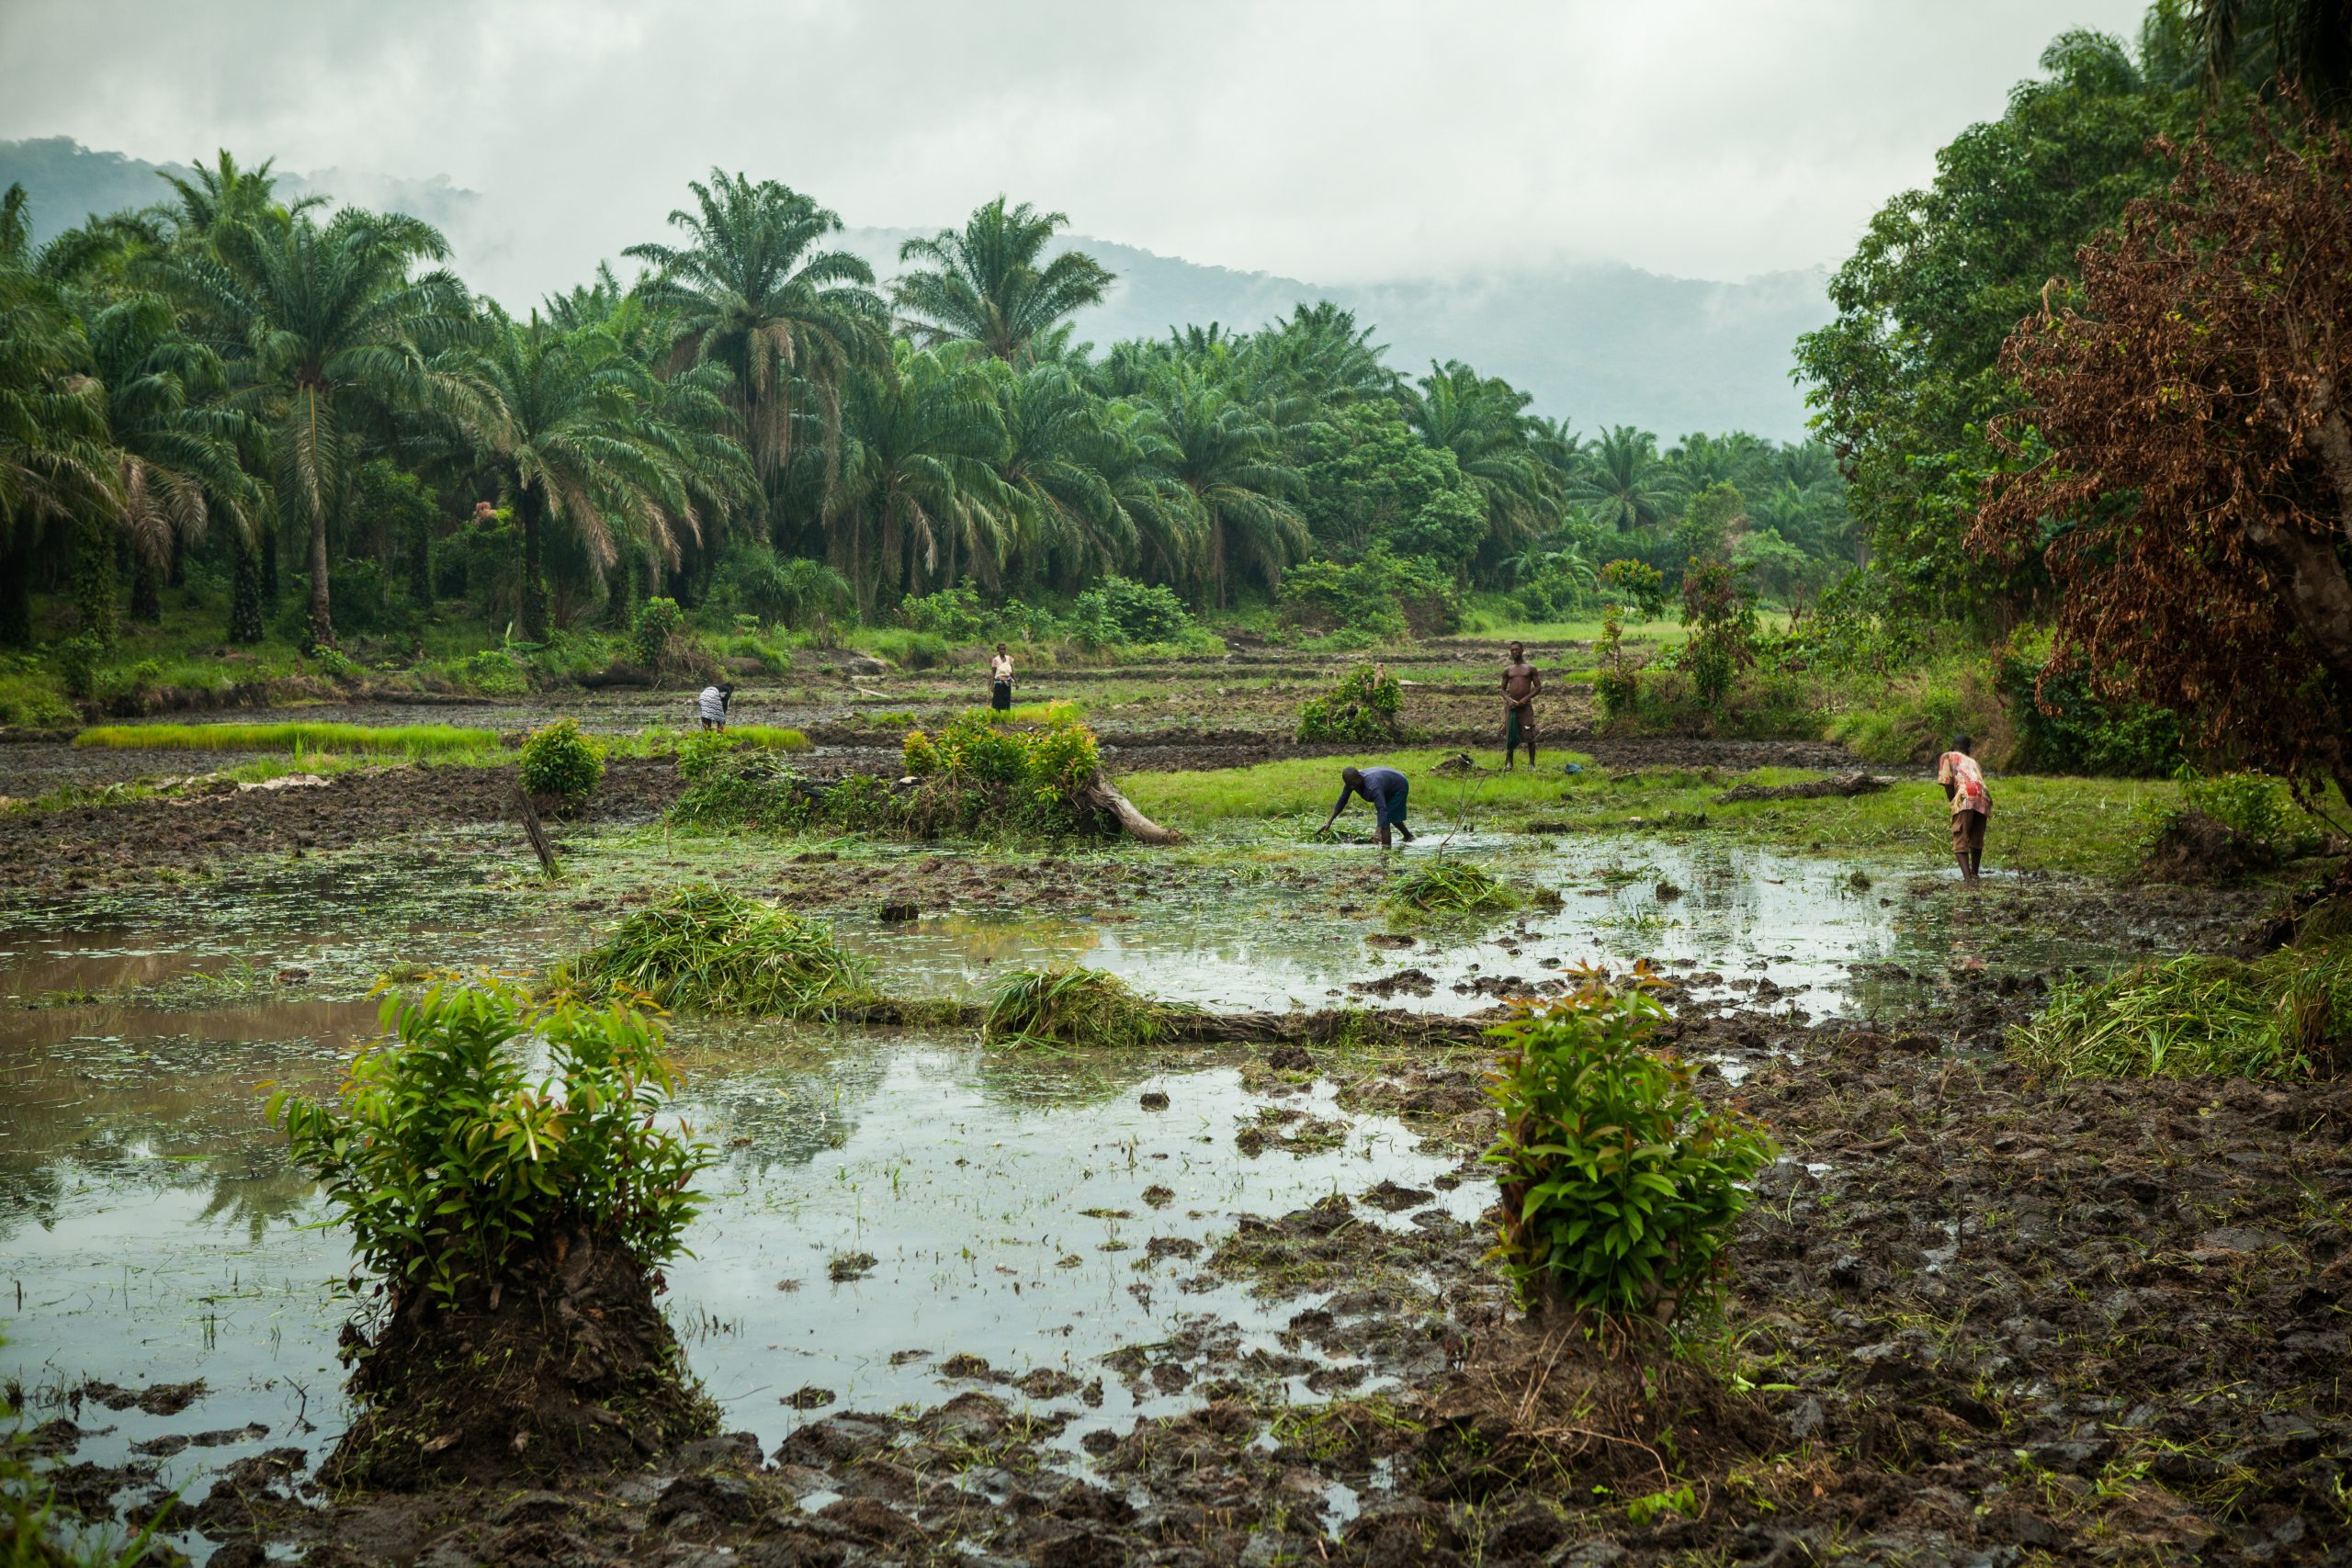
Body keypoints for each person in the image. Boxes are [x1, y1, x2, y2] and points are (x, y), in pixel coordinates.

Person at [1936, 733, 1990, 884]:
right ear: (1969, 750)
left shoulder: (1947, 756)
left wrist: (1954, 803)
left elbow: (1947, 783)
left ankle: (1968, 880)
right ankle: (1975, 874)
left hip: (1965, 796)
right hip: (1984, 797)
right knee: (1976, 838)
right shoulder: (1974, 762)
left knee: (1960, 838)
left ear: (1952, 747)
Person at [1321, 764, 1415, 849]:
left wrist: (1377, 833)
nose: (1352, 787)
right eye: (1349, 785)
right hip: (1386, 783)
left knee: (1385, 820)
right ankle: (1408, 836)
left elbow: (1381, 809)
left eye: (1354, 784)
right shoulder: (1350, 783)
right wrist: (1329, 822)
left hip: (1398, 785)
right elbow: (1342, 800)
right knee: (1390, 815)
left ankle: (1386, 852)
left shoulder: (1373, 786)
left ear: (1359, 777)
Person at [1501, 641, 1542, 770]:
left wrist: (1525, 699)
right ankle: (1509, 764)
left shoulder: (1530, 668)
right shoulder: (1508, 670)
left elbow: (1538, 687)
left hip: (1525, 707)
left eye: (1517, 649)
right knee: (1510, 733)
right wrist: (1509, 700)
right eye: (1512, 650)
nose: (1514, 652)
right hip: (1512, 707)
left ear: (1522, 650)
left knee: (1529, 734)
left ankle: (1531, 764)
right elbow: (1502, 689)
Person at [989, 643, 1014, 713]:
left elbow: (1012, 672)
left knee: (1007, 699)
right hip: (998, 682)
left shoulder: (1009, 658)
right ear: (998, 650)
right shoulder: (996, 660)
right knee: (998, 700)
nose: (1004, 651)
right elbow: (993, 673)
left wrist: (1016, 682)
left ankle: (1007, 714)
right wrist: (992, 685)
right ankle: (998, 714)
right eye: (1002, 649)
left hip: (1007, 682)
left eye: (1005, 649)